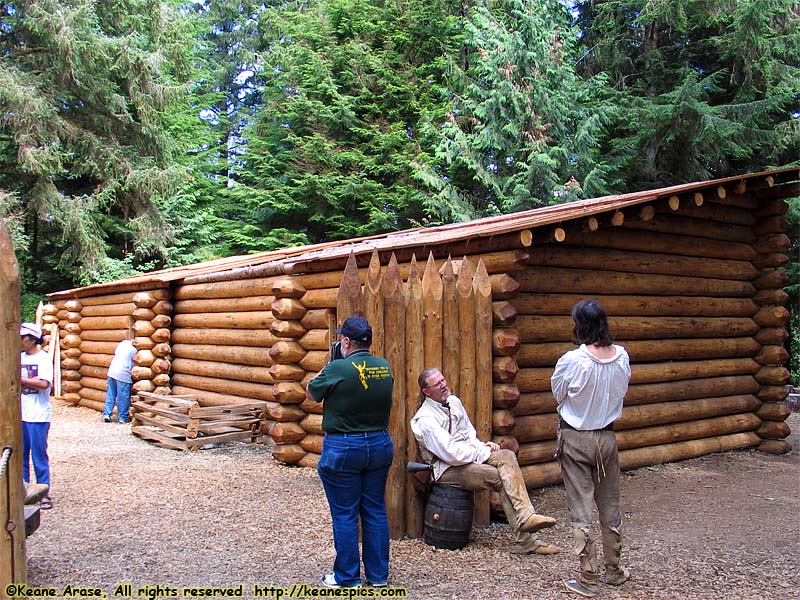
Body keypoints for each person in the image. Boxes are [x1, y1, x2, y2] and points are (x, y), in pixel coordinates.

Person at [410, 367, 559, 555]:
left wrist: (482, 446)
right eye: (437, 383)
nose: (443, 384)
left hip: (468, 456)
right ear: (426, 392)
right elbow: (451, 455)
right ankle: (527, 541)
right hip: (445, 469)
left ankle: (526, 515)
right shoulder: (425, 420)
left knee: (507, 456)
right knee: (498, 476)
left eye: (443, 379)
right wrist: (481, 452)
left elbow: (468, 434)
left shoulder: (453, 402)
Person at [305, 316, 394, 589]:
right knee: (375, 510)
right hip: (379, 444)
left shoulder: (337, 368)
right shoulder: (384, 366)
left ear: (345, 341)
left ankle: (347, 577)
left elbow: (311, 392)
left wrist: (329, 365)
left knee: (344, 513)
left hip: (343, 447)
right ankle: (378, 577)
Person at [551, 299, 632, 598]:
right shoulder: (621, 357)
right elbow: (621, 391)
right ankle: (614, 570)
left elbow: (559, 394)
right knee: (610, 504)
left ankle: (587, 577)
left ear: (579, 324)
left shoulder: (571, 361)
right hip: (607, 438)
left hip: (576, 438)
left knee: (581, 507)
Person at [20, 322, 54, 510]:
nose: (20, 341)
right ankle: (23, 491)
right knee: (20, 455)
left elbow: (43, 384)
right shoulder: (17, 357)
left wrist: (19, 379)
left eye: (23, 338)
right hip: (21, 415)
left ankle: (43, 493)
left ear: (33, 339)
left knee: (39, 456)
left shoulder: (44, 359)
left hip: (38, 415)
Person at [102, 334, 137, 423]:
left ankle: (106, 414)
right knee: (123, 396)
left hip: (112, 371)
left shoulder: (123, 343)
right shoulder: (134, 350)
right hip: (123, 374)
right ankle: (123, 417)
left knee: (111, 394)